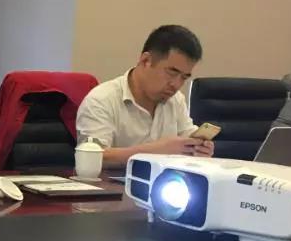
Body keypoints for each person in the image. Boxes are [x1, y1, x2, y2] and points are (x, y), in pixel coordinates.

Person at [76, 25, 214, 169]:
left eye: (184, 77)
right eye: (172, 72)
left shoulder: (176, 100)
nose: (176, 84)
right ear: (145, 60)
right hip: (113, 183)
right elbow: (93, 157)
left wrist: (198, 149)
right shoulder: (101, 100)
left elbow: (187, 138)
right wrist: (156, 151)